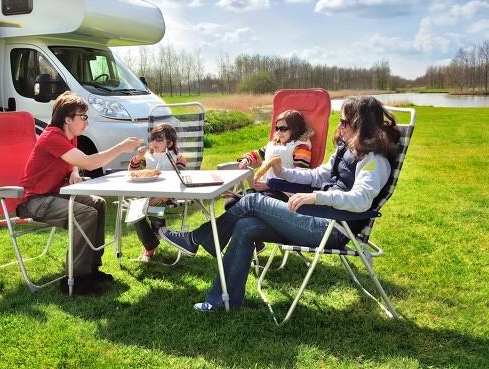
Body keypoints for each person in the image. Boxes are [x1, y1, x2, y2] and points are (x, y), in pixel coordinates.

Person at [161, 96, 400, 311]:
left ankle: (198, 239)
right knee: (244, 227)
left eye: (345, 122)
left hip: (332, 229)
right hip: (317, 218)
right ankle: (223, 301)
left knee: (253, 200)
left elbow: (360, 200)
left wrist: (316, 197)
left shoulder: (375, 160)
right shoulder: (347, 151)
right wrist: (283, 172)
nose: (340, 127)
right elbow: (318, 176)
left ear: (362, 125)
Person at [19, 91, 140, 296]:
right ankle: (74, 278)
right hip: (37, 200)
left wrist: (74, 171)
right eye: (83, 117)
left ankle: (92, 268)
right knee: (85, 213)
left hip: (56, 194)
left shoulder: (70, 138)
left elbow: (75, 161)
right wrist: (121, 148)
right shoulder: (52, 137)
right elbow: (90, 162)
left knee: (98, 203)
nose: (87, 122)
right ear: (67, 119)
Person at [227, 110, 312, 253]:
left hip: (283, 194)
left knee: (242, 204)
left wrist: (270, 184)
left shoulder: (301, 147)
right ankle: (258, 243)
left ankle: (251, 236)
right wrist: (247, 159)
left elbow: (301, 178)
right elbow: (257, 154)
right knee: (230, 202)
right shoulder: (274, 144)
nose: (279, 131)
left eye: (283, 128)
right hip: (262, 191)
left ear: (295, 128)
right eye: (277, 128)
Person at [128, 123, 186, 261]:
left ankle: (158, 231)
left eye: (159, 139)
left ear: (169, 142)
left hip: (170, 195)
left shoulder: (178, 157)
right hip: (147, 195)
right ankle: (151, 243)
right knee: (134, 210)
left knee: (153, 208)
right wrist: (137, 157)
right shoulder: (148, 156)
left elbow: (181, 180)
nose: (154, 142)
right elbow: (132, 172)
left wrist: (163, 197)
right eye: (153, 139)